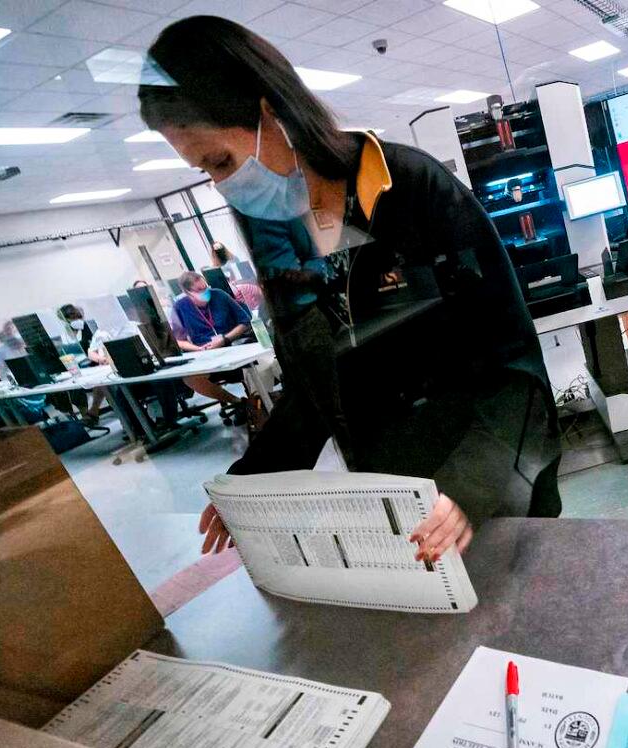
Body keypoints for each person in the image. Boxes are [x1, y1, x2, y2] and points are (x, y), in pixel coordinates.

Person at [139, 15, 561, 559]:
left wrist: (469, 486)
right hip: (397, 501)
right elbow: (318, 382)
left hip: (492, 481)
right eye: (206, 172)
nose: (224, 185)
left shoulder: (411, 188)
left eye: (221, 160)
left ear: (271, 109)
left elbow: (513, 359)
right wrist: (249, 481)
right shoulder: (275, 231)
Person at [171, 271, 254, 410]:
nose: (205, 291)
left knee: (251, 367)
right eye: (199, 290)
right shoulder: (180, 306)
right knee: (190, 379)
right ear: (187, 292)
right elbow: (179, 340)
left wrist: (225, 338)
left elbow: (245, 321)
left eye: (205, 287)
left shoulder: (219, 295)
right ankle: (238, 403)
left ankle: (256, 402)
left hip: (232, 346)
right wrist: (197, 349)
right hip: (206, 353)